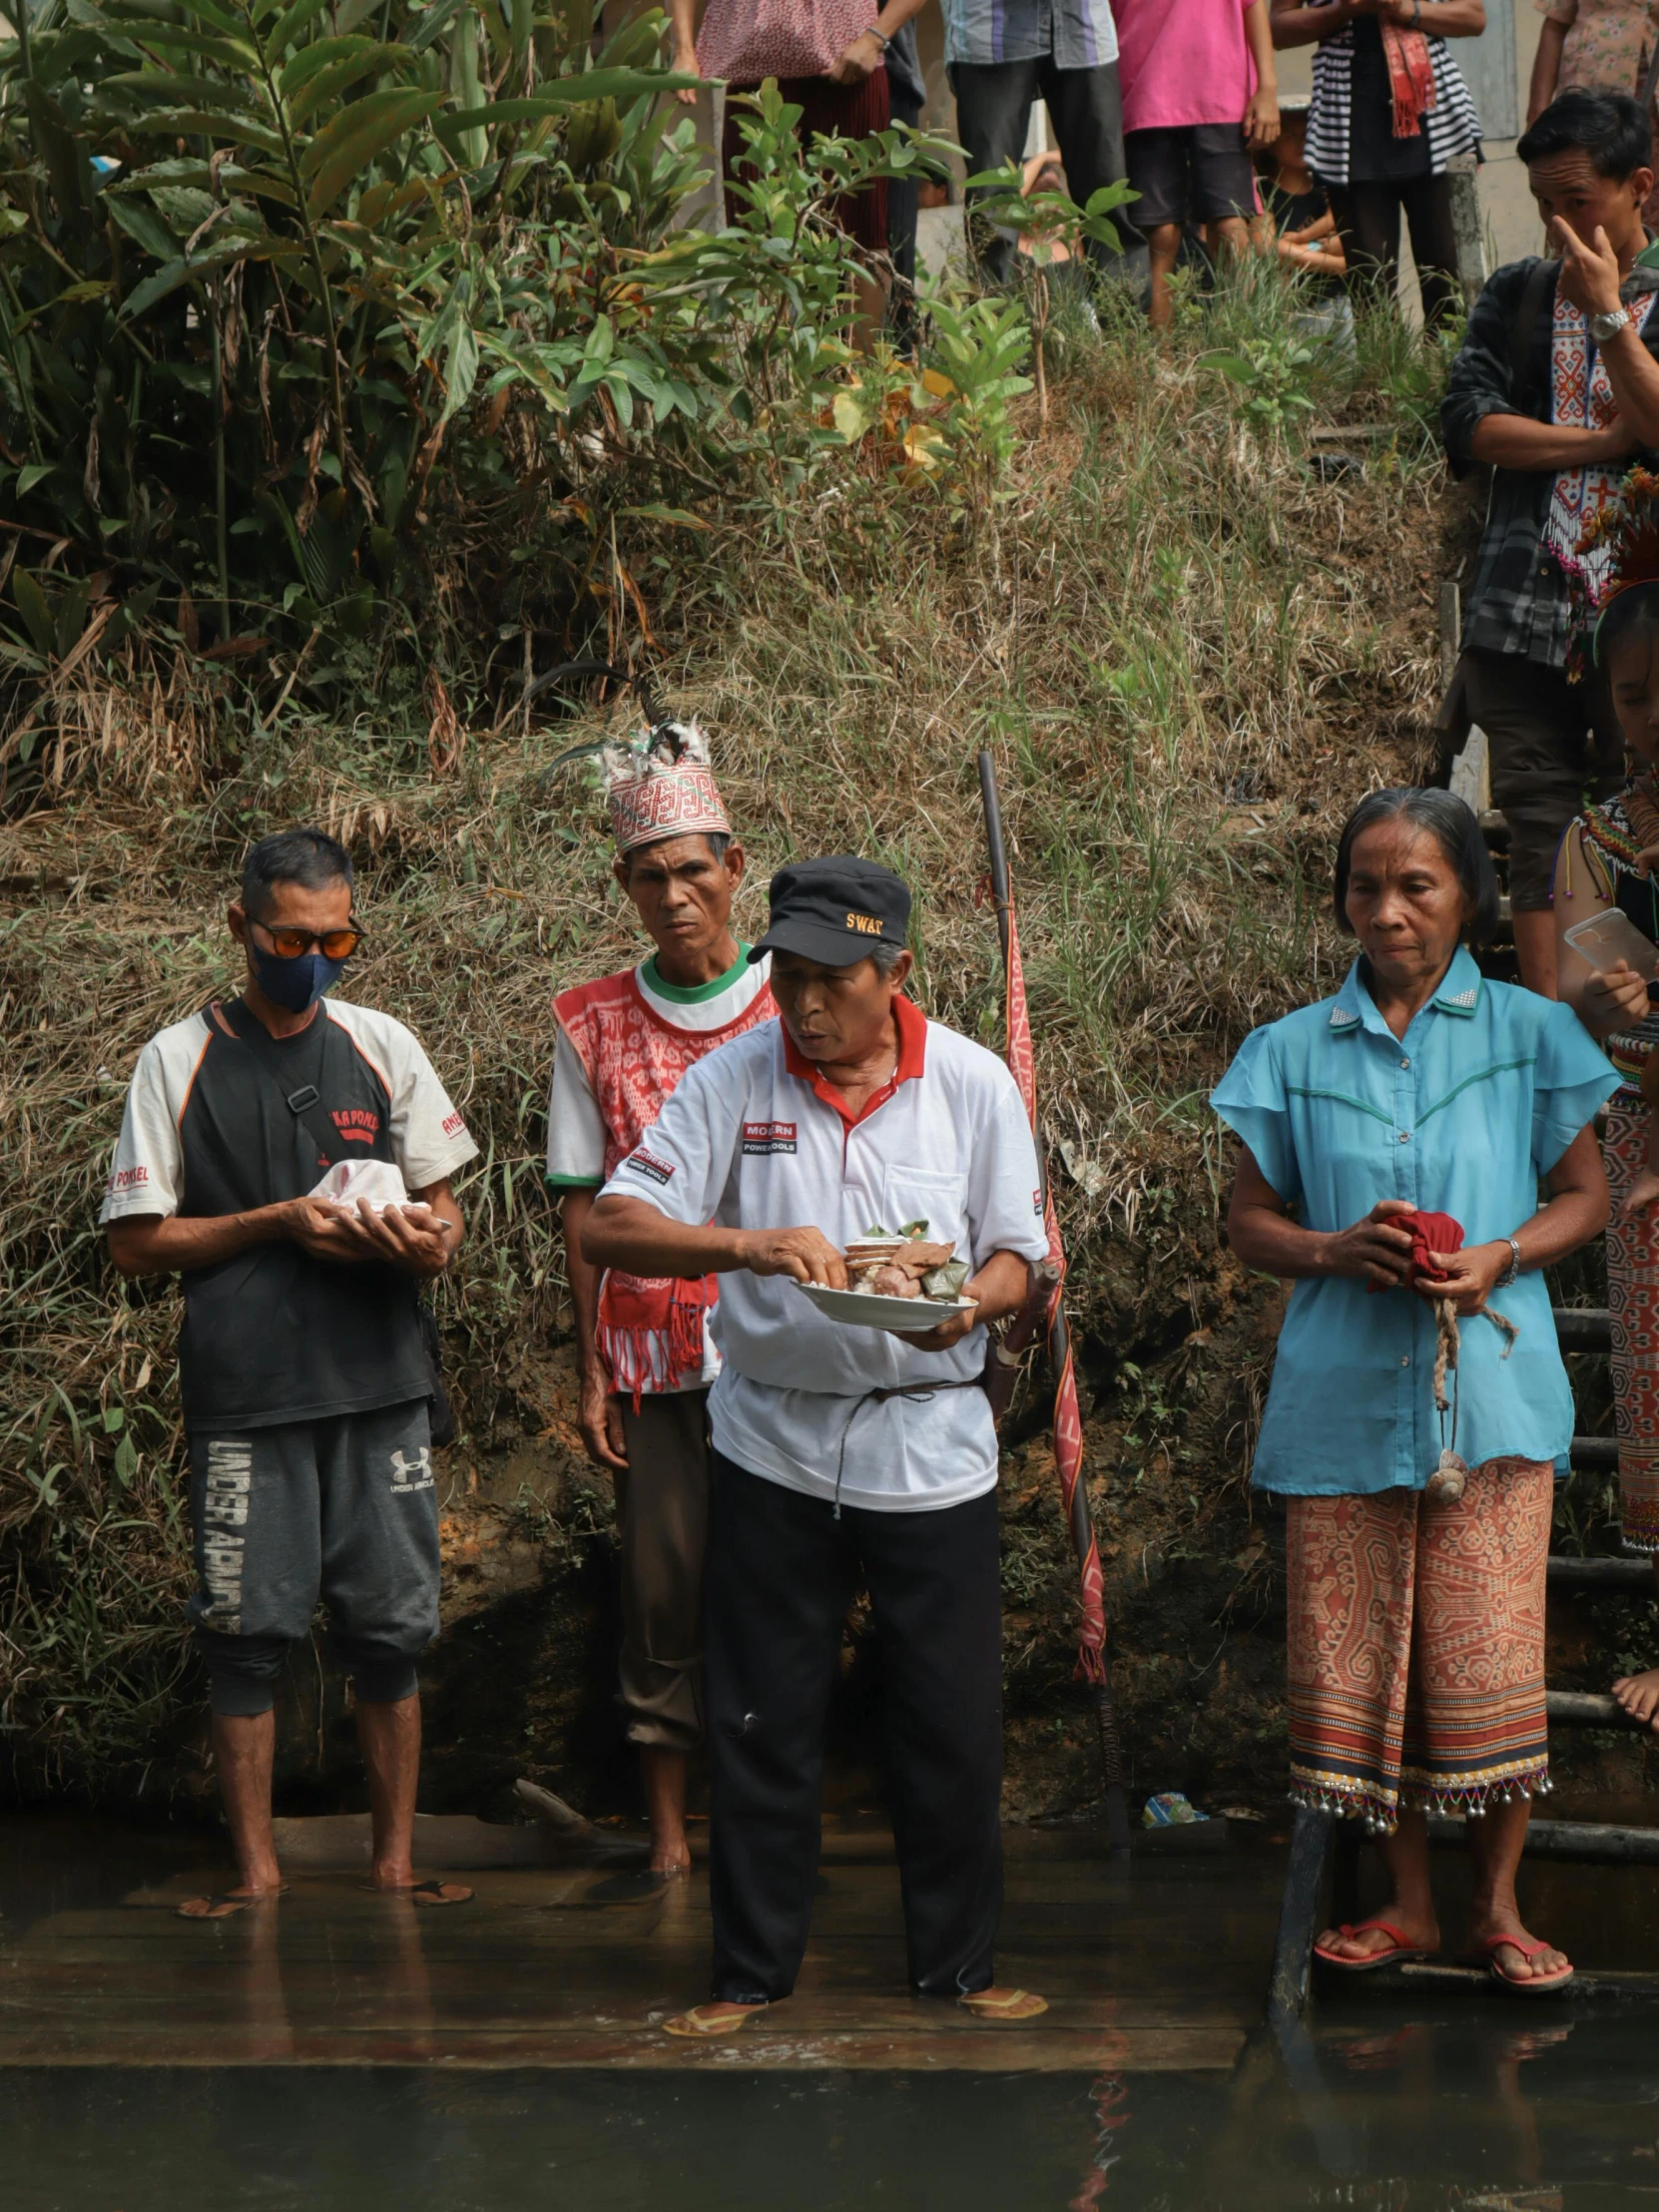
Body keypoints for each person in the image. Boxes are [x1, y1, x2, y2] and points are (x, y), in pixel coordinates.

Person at [582, 856, 1052, 2037]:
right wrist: (743, 1245)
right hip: (772, 1442)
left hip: (930, 1440)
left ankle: (957, 1965)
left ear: (896, 970)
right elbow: (614, 1218)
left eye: (831, 980)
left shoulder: (971, 1082)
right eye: (786, 976)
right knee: (762, 1713)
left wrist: (972, 1305)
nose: (802, 1005)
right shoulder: (733, 1076)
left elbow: (1019, 1251)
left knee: (948, 1718)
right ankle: (747, 1973)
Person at [1214, 789, 1616, 1992]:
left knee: (1490, 1659)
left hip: (1492, 1394)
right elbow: (1247, 1220)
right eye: (1364, 886)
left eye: (1417, 886)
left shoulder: (1532, 1035)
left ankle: (1496, 1906)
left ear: (1471, 902)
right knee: (1363, 1662)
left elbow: (1583, 1197)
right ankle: (1407, 1904)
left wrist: (1500, 1252)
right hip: (1341, 1399)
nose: (1385, 910)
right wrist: (1337, 1249)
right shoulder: (1287, 1049)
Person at [101, 830, 479, 1918]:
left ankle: (394, 1866)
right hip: (249, 1394)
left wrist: (426, 1237)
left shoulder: (378, 1042)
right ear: (240, 927)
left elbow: (445, 1207)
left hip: (380, 1384)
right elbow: (135, 1240)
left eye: (335, 937)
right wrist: (276, 1220)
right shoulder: (181, 1059)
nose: (313, 956)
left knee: (394, 1626)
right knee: (244, 1634)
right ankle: (258, 1876)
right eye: (290, 937)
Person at [546, 713, 775, 1878]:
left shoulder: (800, 996)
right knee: (663, 1582)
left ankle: (766, 1811)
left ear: (736, 869)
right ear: (625, 885)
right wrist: (590, 1360)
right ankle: (674, 1835)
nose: (677, 892)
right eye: (652, 874)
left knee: (778, 1578)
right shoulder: (589, 1019)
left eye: (696, 868)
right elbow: (583, 1207)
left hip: (787, 1349)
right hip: (654, 1354)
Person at [1441, 91, 1659, 998]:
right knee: (1536, 821)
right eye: (1543, 205)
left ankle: (1634, 1050)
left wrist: (1610, 315)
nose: (1559, 225)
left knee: (1638, 806)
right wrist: (1606, 444)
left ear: (1638, 187)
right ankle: (1553, 1059)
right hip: (1518, 605)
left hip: (1639, 618)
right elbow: (1469, 426)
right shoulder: (1517, 294)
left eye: (1579, 200)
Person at [1550, 483, 1659, 1718]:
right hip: (1638, 1127)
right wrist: (1612, 1007)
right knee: (1657, 1385)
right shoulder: (1598, 831)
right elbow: (1580, 995)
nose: (1650, 718)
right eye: (1632, 695)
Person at [671, 0, 929, 336]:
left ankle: (863, 382)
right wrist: (683, 49)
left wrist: (874, 38)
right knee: (758, 237)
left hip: (848, 68)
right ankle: (776, 380)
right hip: (755, 72)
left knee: (861, 236)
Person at [1269, 0, 1483, 331]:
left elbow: (1474, 17)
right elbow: (1278, 28)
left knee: (1451, 277)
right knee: (1370, 284)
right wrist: (1346, 10)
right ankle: (1384, 378)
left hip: (1440, 124)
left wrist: (1404, 9)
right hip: (1346, 126)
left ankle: (1453, 375)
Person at [940, 0, 1148, 290]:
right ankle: (998, 333)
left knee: (1107, 202)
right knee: (992, 208)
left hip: (1083, 27)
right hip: (991, 29)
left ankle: (1124, 330)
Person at [1114, 0, 1281, 327]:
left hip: (1224, 90)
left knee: (1232, 227)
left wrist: (1268, 87)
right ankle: (1156, 357)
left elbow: (1253, 5)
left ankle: (1241, 347)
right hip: (1145, 88)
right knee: (1158, 230)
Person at [1529, 0, 1659, 227]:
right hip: (1593, 91)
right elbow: (1555, 24)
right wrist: (1537, 113)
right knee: (1580, 199)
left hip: (1654, 101)